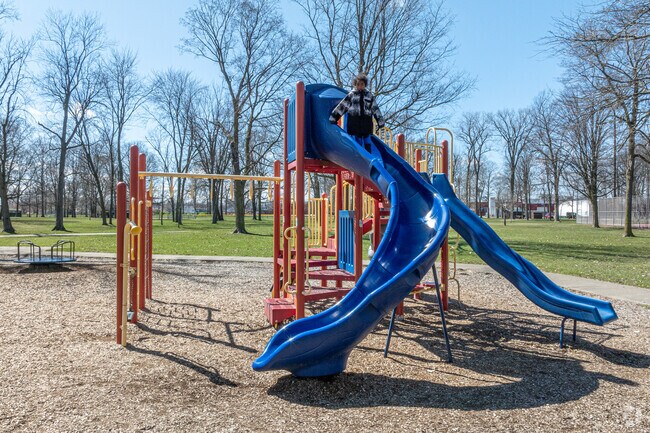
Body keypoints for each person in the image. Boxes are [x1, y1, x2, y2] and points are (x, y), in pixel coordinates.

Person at [329, 73, 385, 152]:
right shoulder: (352, 95)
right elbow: (343, 106)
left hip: (366, 123)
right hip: (354, 123)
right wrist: (334, 117)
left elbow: (375, 109)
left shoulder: (369, 96)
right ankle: (358, 155)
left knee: (367, 141)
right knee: (357, 141)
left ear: (365, 85)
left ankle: (368, 156)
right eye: (358, 84)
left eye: (362, 84)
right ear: (355, 85)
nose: (360, 86)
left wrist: (380, 122)